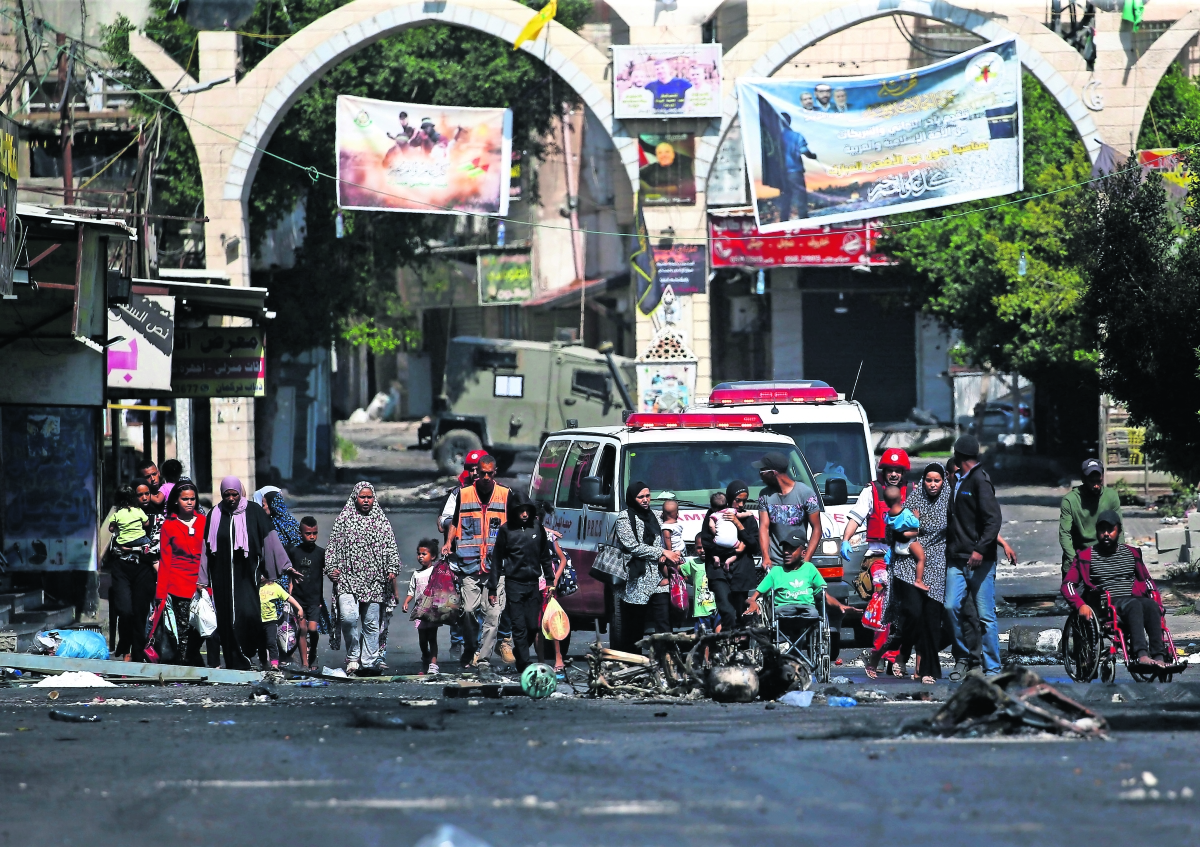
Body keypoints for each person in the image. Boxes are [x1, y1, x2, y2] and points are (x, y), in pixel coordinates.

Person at [197, 476, 292, 671]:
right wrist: (203, 578)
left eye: (234, 494)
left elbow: (270, 539)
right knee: (226, 621)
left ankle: (250, 653)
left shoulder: (254, 511)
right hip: (221, 576)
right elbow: (206, 548)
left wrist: (285, 565)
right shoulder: (215, 514)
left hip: (248, 576)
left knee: (249, 615)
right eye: (227, 495)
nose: (231, 498)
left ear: (240, 493)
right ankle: (235, 662)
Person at [1062, 510, 1170, 668]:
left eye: (1110, 530)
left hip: (1132, 598)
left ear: (1118, 530)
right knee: (1135, 605)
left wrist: (1158, 604)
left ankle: (1159, 656)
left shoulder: (1131, 553)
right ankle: (1142, 655)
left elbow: (1147, 581)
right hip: (1104, 603)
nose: (1106, 534)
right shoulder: (1086, 557)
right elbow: (1068, 585)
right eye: (1102, 530)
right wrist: (1080, 605)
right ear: (1097, 532)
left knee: (1151, 605)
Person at [441, 454, 510, 668]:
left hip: (495, 567)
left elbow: (518, 523)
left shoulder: (505, 495)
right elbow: (454, 521)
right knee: (469, 611)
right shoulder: (463, 495)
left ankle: (484, 658)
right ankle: (470, 647)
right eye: (482, 473)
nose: (486, 477)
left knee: (493, 614)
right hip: (469, 565)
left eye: (490, 473)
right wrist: (449, 542)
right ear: (476, 474)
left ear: (495, 473)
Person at [324, 481, 401, 675]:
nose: (366, 501)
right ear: (355, 497)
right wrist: (331, 569)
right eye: (362, 497)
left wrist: (392, 568)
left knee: (371, 623)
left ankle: (368, 662)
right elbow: (332, 547)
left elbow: (391, 547)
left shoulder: (381, 521)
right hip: (347, 578)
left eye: (369, 497)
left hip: (375, 580)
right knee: (348, 617)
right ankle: (352, 656)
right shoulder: (343, 520)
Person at [945, 435, 1003, 679]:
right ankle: (964, 657)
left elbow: (993, 520)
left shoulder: (980, 480)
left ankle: (993, 668)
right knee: (950, 606)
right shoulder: (959, 480)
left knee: (985, 615)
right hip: (957, 558)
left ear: (959, 456)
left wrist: (980, 549)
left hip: (980, 561)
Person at [488, 493, 555, 673]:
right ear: (514, 511)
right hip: (514, 583)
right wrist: (492, 587)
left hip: (533, 583)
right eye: (520, 511)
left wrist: (550, 580)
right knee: (519, 626)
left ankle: (520, 651)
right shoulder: (506, 530)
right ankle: (524, 664)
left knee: (533, 626)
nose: (524, 514)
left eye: (527, 511)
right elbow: (496, 559)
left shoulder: (537, 528)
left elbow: (545, 556)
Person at [898, 462, 953, 683]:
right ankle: (901, 653)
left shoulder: (950, 499)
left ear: (943, 481)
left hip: (938, 560)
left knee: (932, 617)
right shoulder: (914, 498)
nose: (932, 484)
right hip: (911, 560)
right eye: (928, 480)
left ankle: (927, 669)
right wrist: (917, 528)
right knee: (914, 612)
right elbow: (902, 531)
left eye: (936, 480)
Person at [615, 481, 682, 659]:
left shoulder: (656, 515)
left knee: (664, 624)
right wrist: (662, 552)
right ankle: (632, 665)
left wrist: (672, 551)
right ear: (632, 498)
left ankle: (666, 664)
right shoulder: (624, 517)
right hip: (637, 581)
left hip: (660, 579)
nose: (645, 500)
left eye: (647, 496)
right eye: (640, 497)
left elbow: (671, 532)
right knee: (634, 628)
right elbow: (633, 546)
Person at [156, 481, 217, 667]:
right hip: (178, 585)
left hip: (203, 583)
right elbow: (165, 560)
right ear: (176, 501)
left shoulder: (205, 522)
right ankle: (184, 666)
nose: (189, 502)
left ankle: (193, 656)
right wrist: (161, 593)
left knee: (203, 625)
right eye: (185, 499)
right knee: (183, 629)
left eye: (192, 499)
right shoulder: (169, 525)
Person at [841, 449, 911, 599]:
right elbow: (855, 519)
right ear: (884, 471)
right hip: (878, 557)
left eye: (897, 471)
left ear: (903, 472)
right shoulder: (870, 491)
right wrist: (845, 540)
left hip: (905, 556)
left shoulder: (912, 491)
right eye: (890, 471)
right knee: (881, 592)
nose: (893, 474)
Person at [699, 480, 761, 631]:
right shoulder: (714, 514)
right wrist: (735, 551)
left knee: (740, 615)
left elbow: (754, 546)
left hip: (741, 572)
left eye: (744, 501)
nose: (740, 504)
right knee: (727, 610)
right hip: (719, 570)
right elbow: (707, 543)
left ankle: (737, 649)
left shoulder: (748, 518)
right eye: (737, 500)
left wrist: (738, 524)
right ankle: (725, 645)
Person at [109, 478, 159, 662]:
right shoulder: (121, 514)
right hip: (122, 568)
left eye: (147, 493)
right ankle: (125, 647)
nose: (144, 497)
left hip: (143, 568)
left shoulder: (154, 515)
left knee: (140, 613)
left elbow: (154, 546)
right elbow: (114, 541)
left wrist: (133, 549)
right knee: (125, 610)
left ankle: (137, 656)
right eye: (140, 495)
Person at [756, 452, 822, 573]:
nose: (760, 475)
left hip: (798, 562)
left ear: (773, 472)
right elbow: (764, 527)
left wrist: (806, 561)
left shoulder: (805, 493)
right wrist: (765, 557)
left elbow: (817, 529)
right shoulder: (764, 495)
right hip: (775, 564)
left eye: (762, 471)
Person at [1059, 459, 1123, 573]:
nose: (1096, 485)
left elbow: (1118, 530)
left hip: (1104, 555)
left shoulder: (1111, 497)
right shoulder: (1070, 500)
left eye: (1098, 481)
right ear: (1083, 479)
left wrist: (1120, 556)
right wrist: (1075, 560)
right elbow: (1065, 534)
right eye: (1092, 482)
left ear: (1102, 477)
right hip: (1078, 555)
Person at [286, 516, 326, 671]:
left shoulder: (320, 553)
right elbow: (288, 572)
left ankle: (313, 652)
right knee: (302, 629)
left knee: (313, 630)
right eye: (308, 533)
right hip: (298, 598)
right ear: (300, 533)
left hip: (314, 599)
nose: (312, 537)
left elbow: (326, 572)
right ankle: (305, 663)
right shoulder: (294, 552)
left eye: (315, 533)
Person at [404, 540, 443, 675]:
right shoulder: (416, 574)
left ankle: (433, 664)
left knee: (432, 637)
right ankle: (425, 656)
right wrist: (407, 602)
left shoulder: (435, 571)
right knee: (422, 640)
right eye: (419, 554)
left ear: (432, 557)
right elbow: (411, 591)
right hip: (420, 611)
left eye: (424, 554)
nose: (420, 556)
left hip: (432, 610)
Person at [884, 485, 927, 592]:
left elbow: (887, 523)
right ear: (901, 497)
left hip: (898, 543)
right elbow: (916, 524)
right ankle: (918, 580)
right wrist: (916, 516)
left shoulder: (888, 516)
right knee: (921, 558)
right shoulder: (906, 514)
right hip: (910, 542)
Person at [258, 570, 303, 670]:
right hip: (259, 621)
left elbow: (288, 598)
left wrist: (299, 608)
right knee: (261, 644)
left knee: (271, 642)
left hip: (271, 621)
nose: (261, 576)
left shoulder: (275, 587)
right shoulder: (256, 586)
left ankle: (274, 664)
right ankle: (264, 663)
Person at [777, 112, 817, 222]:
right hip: (795, 172)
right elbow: (804, 151)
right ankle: (803, 219)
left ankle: (783, 220)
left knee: (785, 198)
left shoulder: (776, 138)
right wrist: (812, 156)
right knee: (800, 197)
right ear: (789, 121)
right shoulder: (796, 136)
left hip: (782, 174)